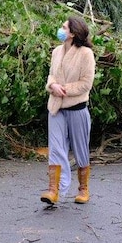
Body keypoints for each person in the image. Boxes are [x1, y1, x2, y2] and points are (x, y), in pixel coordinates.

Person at [41, 16, 96, 206]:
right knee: (55, 147)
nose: (60, 29)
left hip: (77, 108)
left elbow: (86, 84)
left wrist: (63, 89)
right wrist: (52, 86)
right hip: (56, 107)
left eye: (64, 27)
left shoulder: (86, 54)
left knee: (80, 149)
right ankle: (53, 190)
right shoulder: (56, 51)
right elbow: (51, 75)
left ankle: (83, 188)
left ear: (73, 33)